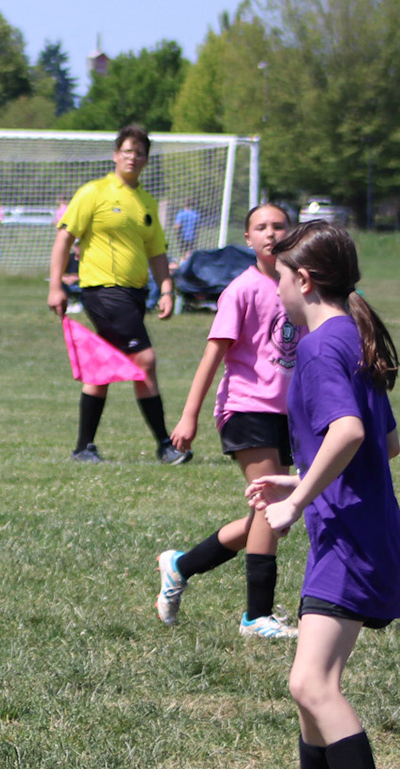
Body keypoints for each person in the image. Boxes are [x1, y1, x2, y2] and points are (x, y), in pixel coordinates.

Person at [245, 220, 400, 769]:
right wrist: (301, 477)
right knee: (311, 681)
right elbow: (384, 444)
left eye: (282, 277)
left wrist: (295, 500)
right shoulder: (352, 337)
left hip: (351, 538)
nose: (278, 288)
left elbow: (348, 433)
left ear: (305, 280)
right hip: (359, 530)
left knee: (311, 682)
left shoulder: (319, 347)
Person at [161, 204, 299, 640]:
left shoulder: (301, 288)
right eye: (261, 227)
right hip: (245, 408)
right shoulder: (242, 289)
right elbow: (212, 356)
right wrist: (189, 415)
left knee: (270, 519)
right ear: (248, 239)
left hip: (287, 414)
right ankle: (256, 617)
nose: (271, 234)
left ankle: (180, 565)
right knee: (270, 507)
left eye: (279, 226)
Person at [47, 123, 187, 466]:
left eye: (139, 153)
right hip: (103, 291)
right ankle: (165, 445)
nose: (132, 158)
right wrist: (55, 286)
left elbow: (157, 253)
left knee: (102, 368)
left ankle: (84, 448)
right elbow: (65, 238)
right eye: (127, 151)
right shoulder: (94, 192)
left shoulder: (146, 203)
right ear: (115, 155)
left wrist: (166, 289)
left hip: (135, 294)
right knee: (145, 359)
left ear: (146, 160)